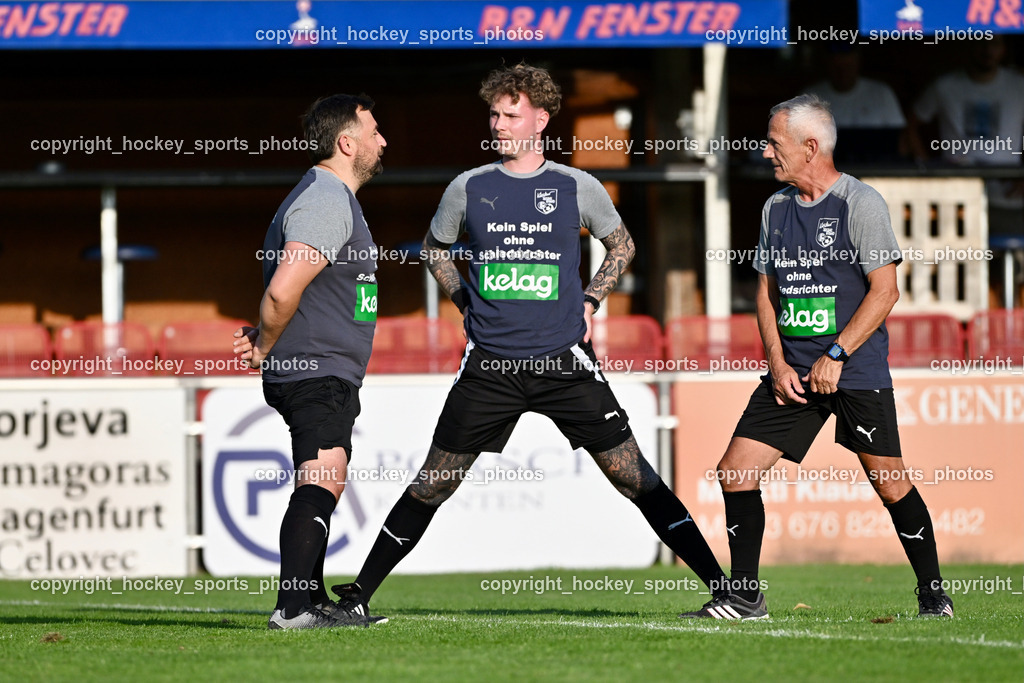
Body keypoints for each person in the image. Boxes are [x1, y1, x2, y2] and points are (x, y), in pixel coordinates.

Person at [330, 63, 730, 621]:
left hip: (564, 362)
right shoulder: (467, 187)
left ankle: (726, 590)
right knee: (431, 484)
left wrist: (590, 300)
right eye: (493, 113)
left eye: (509, 114)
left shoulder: (577, 185)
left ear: (540, 119)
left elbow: (623, 245)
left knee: (633, 475)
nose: (498, 123)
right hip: (490, 366)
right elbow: (434, 249)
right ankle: (356, 599)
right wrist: (465, 302)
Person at [682, 94, 953, 620]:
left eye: (774, 143)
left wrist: (836, 353)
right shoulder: (775, 208)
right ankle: (744, 597)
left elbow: (885, 291)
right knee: (735, 471)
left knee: (891, 483)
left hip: (854, 370)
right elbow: (765, 293)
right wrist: (778, 365)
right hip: (792, 375)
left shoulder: (861, 203)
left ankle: (933, 595)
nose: (765, 153)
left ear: (810, 148)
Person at [232, 93, 387, 629]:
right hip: (315, 369)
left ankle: (308, 599)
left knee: (325, 475)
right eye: (373, 131)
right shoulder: (326, 198)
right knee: (322, 474)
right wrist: (267, 343)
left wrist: (265, 338)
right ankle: (293, 608)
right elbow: (282, 290)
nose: (381, 140)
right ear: (347, 142)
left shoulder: (331, 197)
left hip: (322, 366)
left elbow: (290, 296)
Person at [908, 35, 1024, 237]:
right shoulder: (944, 86)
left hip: (1007, 195)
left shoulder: (1018, 84)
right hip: (956, 195)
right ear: (969, 45)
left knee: (1012, 260)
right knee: (958, 258)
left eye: (994, 43)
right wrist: (926, 169)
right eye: (981, 42)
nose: (987, 49)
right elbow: (911, 126)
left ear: (1004, 49)